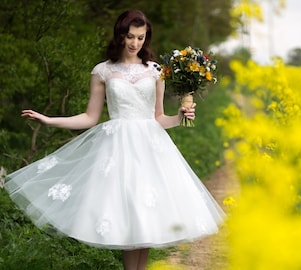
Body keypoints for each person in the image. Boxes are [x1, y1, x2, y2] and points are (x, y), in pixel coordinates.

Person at [4, 10, 225, 270]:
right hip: (117, 151)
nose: (135, 43)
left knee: (146, 222)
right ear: (120, 35)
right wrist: (50, 120)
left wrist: (179, 116)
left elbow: (158, 118)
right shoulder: (103, 71)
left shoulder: (155, 70)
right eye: (130, 36)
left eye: (141, 38)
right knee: (129, 219)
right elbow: (89, 117)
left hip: (151, 150)